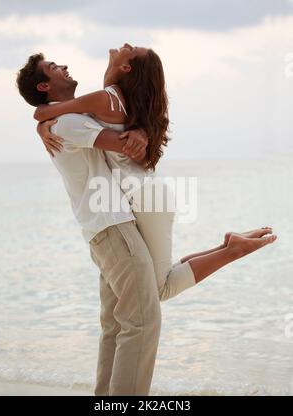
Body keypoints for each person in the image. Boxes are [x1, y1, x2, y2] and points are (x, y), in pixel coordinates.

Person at [16, 46, 277, 396]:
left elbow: (111, 120)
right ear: (44, 87)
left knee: (119, 323)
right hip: (113, 225)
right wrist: (135, 134)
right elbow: (123, 142)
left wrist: (135, 129)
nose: (63, 66)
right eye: (53, 67)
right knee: (142, 320)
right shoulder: (68, 121)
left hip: (109, 226)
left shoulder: (69, 117)